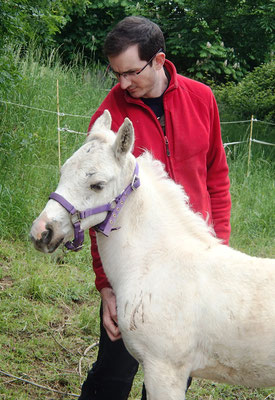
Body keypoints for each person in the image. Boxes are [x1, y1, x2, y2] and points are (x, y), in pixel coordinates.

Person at [79, 15, 231, 400]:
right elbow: (94, 208)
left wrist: (219, 251)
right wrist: (106, 287)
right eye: (116, 74)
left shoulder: (202, 99)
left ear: (159, 61)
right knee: (113, 374)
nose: (122, 84)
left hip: (193, 266)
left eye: (131, 72)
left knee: (172, 375)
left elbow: (217, 179)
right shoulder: (109, 116)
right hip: (136, 271)